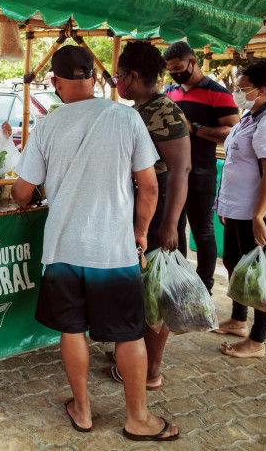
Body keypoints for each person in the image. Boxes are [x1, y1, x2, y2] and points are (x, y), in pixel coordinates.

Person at [11, 45, 179, 441]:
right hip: (113, 249)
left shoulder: (48, 125)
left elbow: (21, 192)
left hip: (64, 247)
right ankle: (137, 418)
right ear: (95, 78)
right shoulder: (126, 117)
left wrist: (36, 196)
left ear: (54, 83)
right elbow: (150, 186)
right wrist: (139, 234)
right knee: (127, 333)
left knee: (72, 330)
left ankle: (82, 410)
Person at [106, 41, 191, 390]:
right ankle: (134, 351)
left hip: (160, 213)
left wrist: (170, 225)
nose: (117, 82)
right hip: (141, 207)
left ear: (134, 75)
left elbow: (181, 169)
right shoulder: (139, 109)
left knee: (158, 290)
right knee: (141, 287)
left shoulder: (164, 111)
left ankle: (151, 369)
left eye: (119, 76)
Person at [214, 59, 266, 358]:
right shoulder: (250, 118)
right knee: (236, 264)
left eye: (241, 87)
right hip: (239, 209)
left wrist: (259, 215)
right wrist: (226, 205)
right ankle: (238, 320)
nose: (236, 92)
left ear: (261, 90)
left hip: (258, 213)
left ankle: (257, 341)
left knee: (258, 276)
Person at [164, 41, 240, 294]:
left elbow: (232, 132)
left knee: (203, 231)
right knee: (174, 228)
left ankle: (204, 287)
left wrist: (195, 128)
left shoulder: (217, 92)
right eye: (170, 70)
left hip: (201, 172)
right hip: (173, 172)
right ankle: (180, 281)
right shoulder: (170, 92)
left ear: (192, 62)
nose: (175, 73)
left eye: (178, 68)